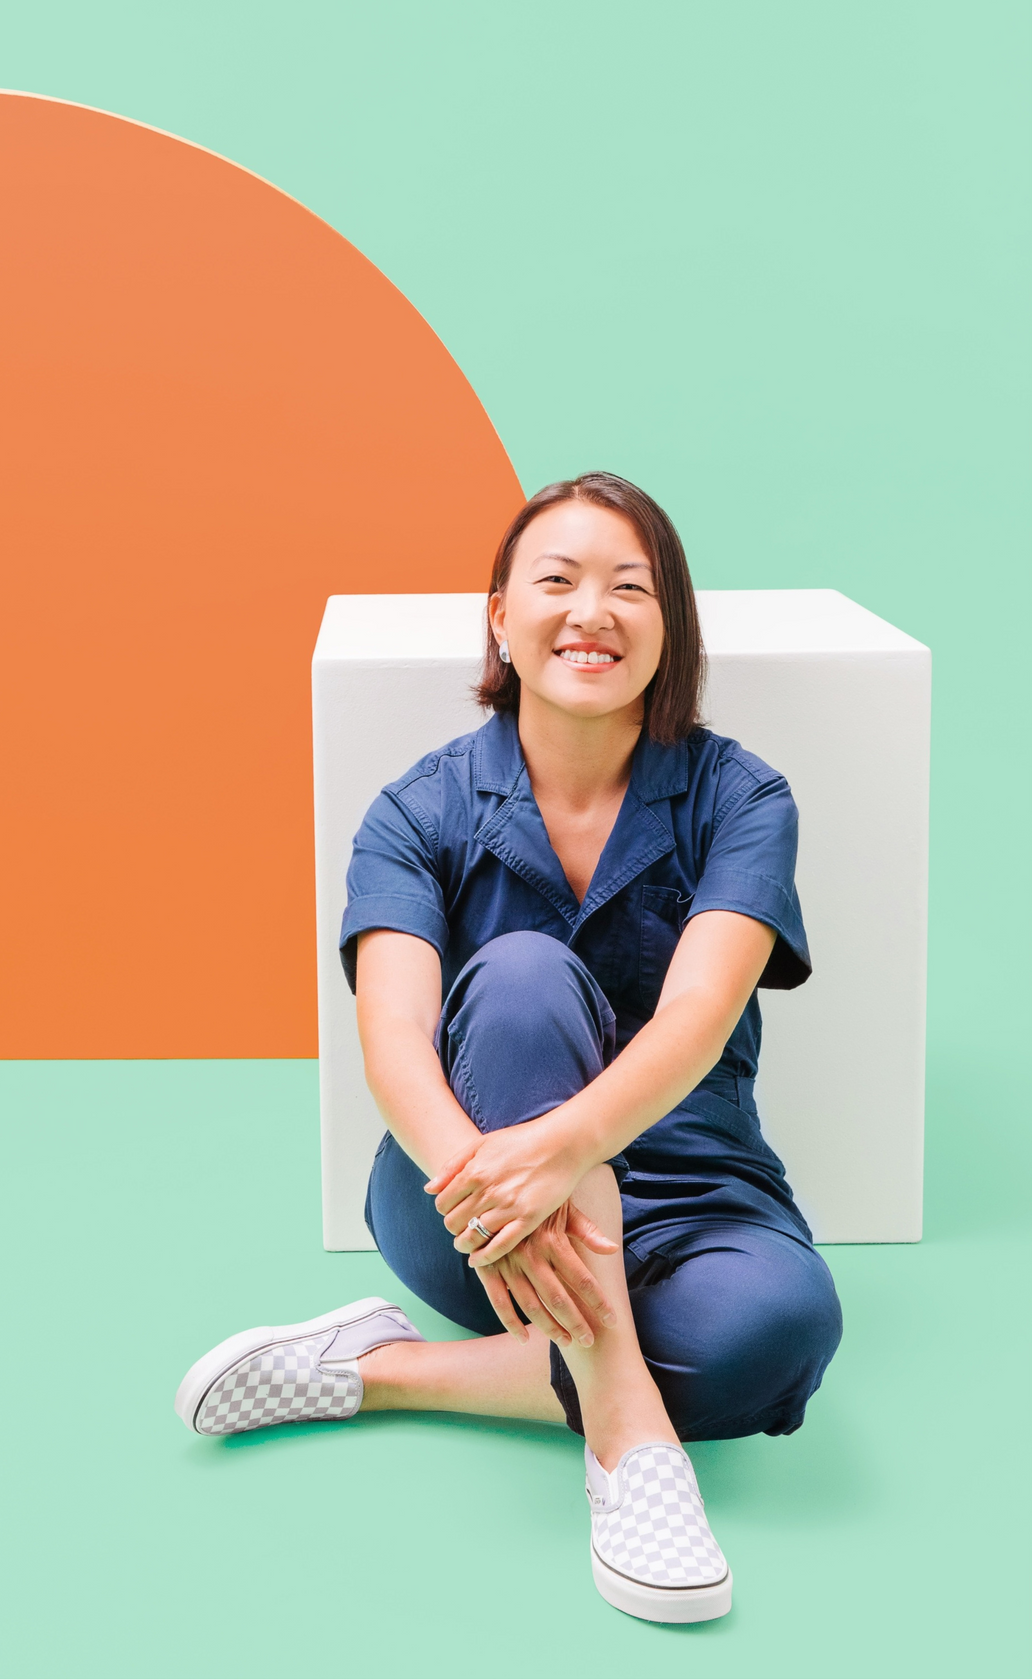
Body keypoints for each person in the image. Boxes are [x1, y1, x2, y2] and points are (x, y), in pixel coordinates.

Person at [174, 472, 843, 1624]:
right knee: (525, 977)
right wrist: (500, 1189)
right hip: (464, 1197)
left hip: (693, 1188)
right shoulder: (415, 809)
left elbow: (697, 1018)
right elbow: (392, 1043)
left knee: (780, 1337)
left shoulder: (743, 797)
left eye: (631, 586)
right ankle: (630, 1442)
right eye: (559, 579)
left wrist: (566, 1153)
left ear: (669, 626)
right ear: (499, 617)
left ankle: (379, 1371)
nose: (594, 610)